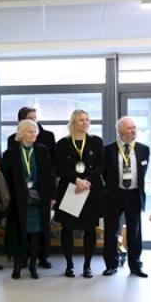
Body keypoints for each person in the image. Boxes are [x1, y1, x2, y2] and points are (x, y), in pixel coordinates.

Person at [2, 120, 55, 280]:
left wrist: (52, 196)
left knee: (35, 235)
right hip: (18, 200)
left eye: (35, 131)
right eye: (30, 132)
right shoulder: (10, 153)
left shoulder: (41, 150)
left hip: (39, 199)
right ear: (21, 133)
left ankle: (33, 266)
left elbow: (49, 175)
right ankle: (17, 267)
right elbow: (5, 178)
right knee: (18, 233)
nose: (34, 135)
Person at [55, 110, 104, 278]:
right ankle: (69, 265)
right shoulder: (63, 143)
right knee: (67, 228)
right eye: (81, 120)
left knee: (90, 228)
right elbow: (60, 167)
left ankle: (87, 266)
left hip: (90, 189)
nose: (85, 122)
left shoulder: (96, 141)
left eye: (87, 120)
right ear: (73, 123)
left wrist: (86, 181)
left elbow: (101, 165)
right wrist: (76, 180)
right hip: (70, 189)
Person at [102, 117, 150, 278]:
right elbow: (104, 173)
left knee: (134, 232)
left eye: (134, 128)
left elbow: (142, 172)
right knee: (111, 231)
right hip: (114, 194)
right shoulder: (108, 150)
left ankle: (135, 265)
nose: (133, 131)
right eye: (129, 128)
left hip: (134, 194)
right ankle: (111, 265)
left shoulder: (144, 149)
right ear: (120, 131)